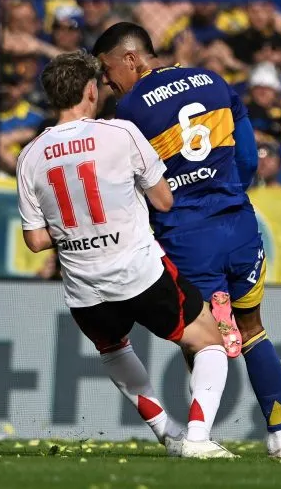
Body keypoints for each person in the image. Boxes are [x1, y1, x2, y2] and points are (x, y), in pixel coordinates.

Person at [15, 51, 232, 459]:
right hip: (138, 271)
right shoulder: (121, 133)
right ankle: (198, 440)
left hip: (83, 288)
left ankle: (168, 434)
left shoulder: (30, 156)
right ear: (91, 90)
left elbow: (36, 241)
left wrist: (77, 231)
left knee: (114, 349)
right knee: (209, 342)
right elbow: (164, 201)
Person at [92, 23, 281, 459]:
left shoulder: (129, 112)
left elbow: (129, 186)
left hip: (185, 232)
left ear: (132, 59)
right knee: (254, 330)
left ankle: (200, 434)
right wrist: (226, 193)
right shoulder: (214, 81)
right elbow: (247, 157)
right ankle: (280, 440)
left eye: (108, 71)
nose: (107, 82)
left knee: (201, 337)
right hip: (238, 223)